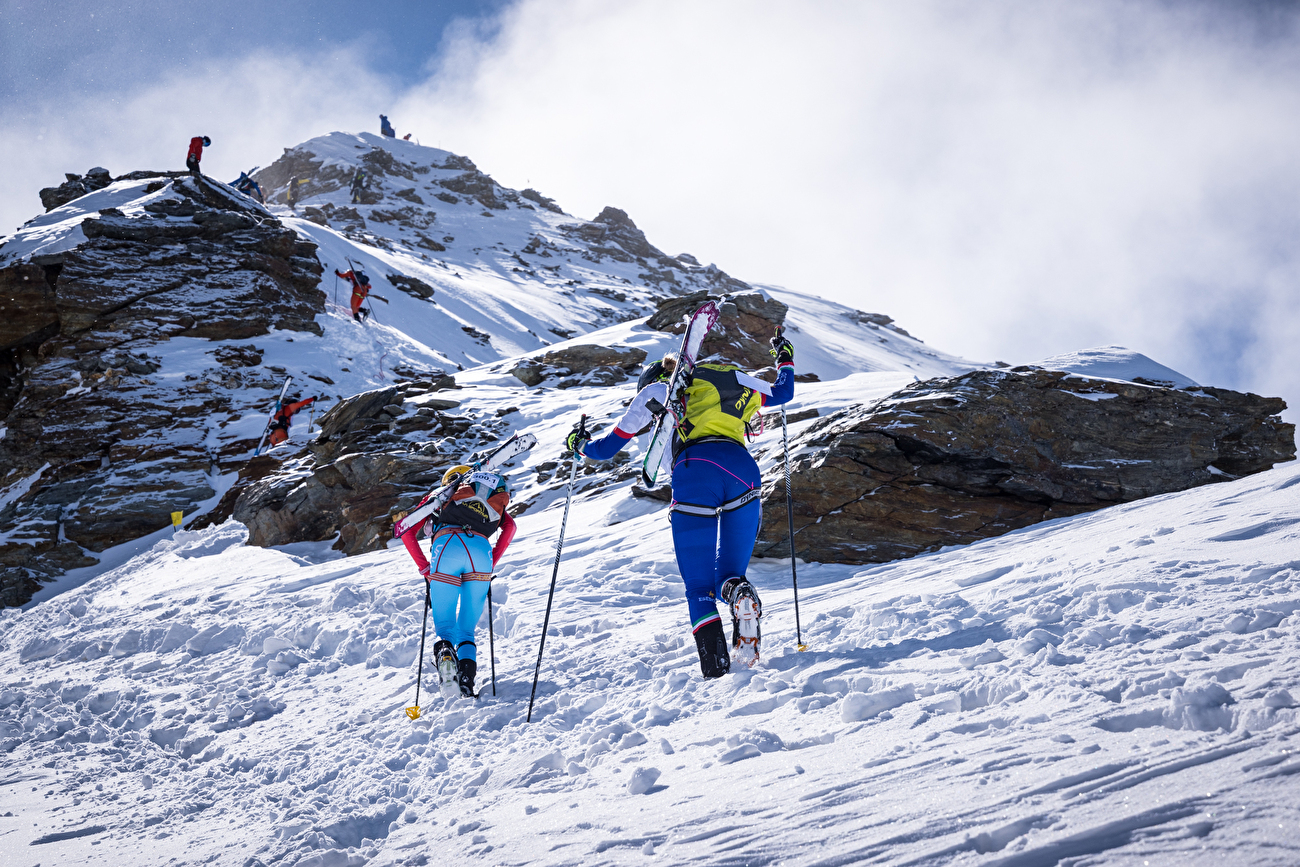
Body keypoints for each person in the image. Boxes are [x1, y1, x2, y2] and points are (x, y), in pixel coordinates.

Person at [567, 332, 796, 678]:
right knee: (730, 574)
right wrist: (784, 356)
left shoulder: (661, 389)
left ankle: (716, 670)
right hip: (744, 472)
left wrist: (579, 444)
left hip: (696, 472)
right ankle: (740, 598)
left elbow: (605, 449)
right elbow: (784, 393)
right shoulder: (733, 380)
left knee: (698, 587)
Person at [400, 465, 517, 697]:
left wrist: (425, 567)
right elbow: (510, 527)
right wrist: (491, 560)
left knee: (445, 628)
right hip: (481, 552)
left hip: (447, 548)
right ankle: (465, 683)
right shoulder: (490, 501)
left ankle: (445, 653)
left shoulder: (441, 497)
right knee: (466, 631)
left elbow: (406, 531)